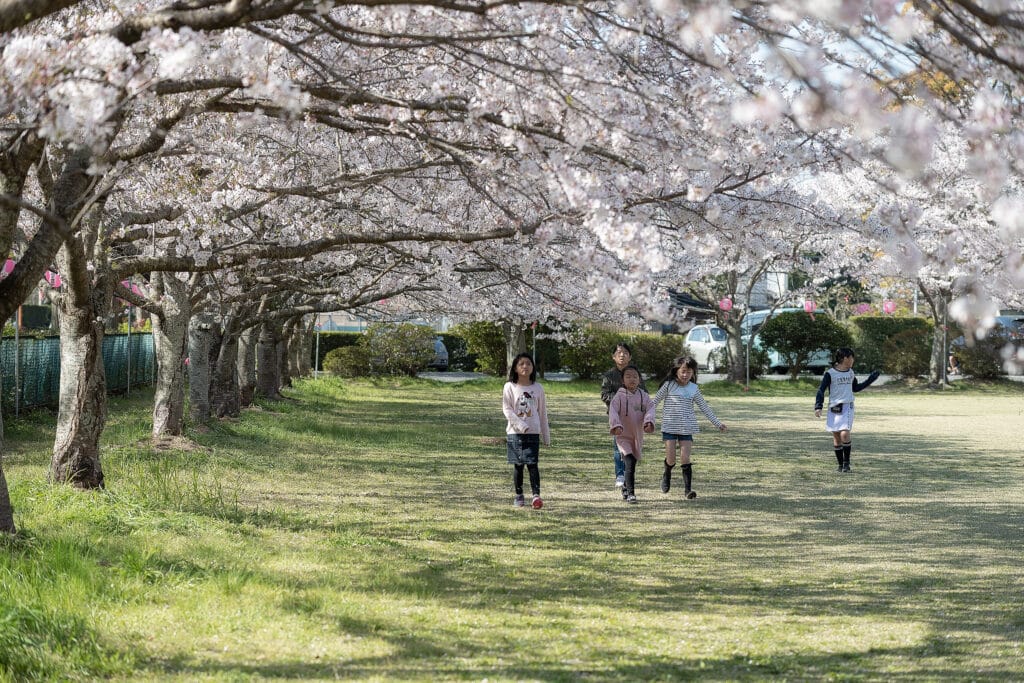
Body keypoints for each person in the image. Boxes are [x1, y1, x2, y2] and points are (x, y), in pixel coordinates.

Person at [651, 356, 726, 499]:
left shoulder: (694, 389)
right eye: (683, 371)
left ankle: (688, 490)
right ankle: (667, 473)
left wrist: (718, 423)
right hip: (670, 427)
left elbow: (705, 408)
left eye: (689, 372)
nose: (686, 375)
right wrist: (644, 418)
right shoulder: (668, 385)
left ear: (693, 373)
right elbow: (653, 403)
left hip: (687, 427)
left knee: (685, 458)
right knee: (671, 459)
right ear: (676, 371)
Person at [814, 348, 880, 473]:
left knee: (844, 433)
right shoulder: (830, 373)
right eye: (851, 358)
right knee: (836, 436)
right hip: (834, 407)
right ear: (844, 358)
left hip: (847, 406)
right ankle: (840, 465)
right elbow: (821, 390)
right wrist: (818, 406)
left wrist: (870, 380)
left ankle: (846, 464)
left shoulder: (850, 372)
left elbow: (856, 388)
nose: (853, 360)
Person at [503, 353, 550, 509]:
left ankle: (536, 496)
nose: (525, 366)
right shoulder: (509, 386)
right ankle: (519, 495)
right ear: (515, 368)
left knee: (532, 464)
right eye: (521, 364)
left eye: (528, 363)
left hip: (533, 432)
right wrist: (520, 425)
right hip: (514, 433)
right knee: (518, 464)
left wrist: (546, 435)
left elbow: (542, 413)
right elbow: (507, 410)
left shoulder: (538, 388)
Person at [600, 342, 646, 488]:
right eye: (619, 352)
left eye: (625, 352)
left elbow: (644, 393)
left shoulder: (634, 373)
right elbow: (604, 394)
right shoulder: (609, 376)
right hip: (617, 417)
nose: (622, 355)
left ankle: (629, 473)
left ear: (630, 356)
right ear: (613, 356)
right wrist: (620, 400)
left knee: (632, 445)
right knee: (617, 446)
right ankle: (620, 474)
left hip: (633, 417)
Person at [608, 366, 656, 504]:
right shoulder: (619, 396)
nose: (632, 379)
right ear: (622, 380)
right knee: (629, 461)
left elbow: (651, 409)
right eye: (628, 376)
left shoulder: (644, 396)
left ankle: (625, 486)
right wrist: (616, 425)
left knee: (633, 463)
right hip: (623, 436)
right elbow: (613, 411)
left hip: (637, 436)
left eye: (635, 376)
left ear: (639, 379)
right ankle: (631, 494)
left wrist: (648, 422)